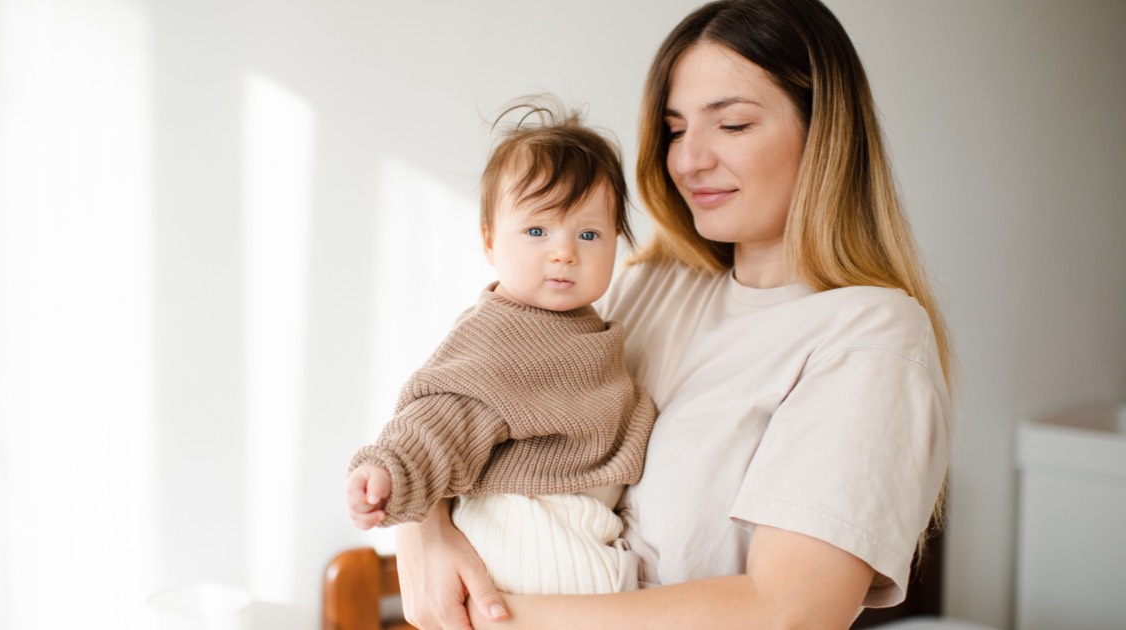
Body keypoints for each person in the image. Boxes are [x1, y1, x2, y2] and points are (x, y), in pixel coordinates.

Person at [392, 0, 955, 628]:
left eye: (732, 126)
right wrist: (424, 530)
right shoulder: (647, 287)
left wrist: (485, 615)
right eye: (676, 129)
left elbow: (787, 613)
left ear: (825, 133)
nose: (688, 160)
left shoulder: (870, 338)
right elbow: (467, 397)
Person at [345, 99, 658, 596]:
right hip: (523, 526)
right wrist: (390, 469)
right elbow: (445, 416)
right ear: (489, 241)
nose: (564, 252)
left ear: (617, 242)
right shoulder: (501, 334)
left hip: (577, 523)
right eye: (537, 230)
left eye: (589, 233)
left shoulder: (585, 326)